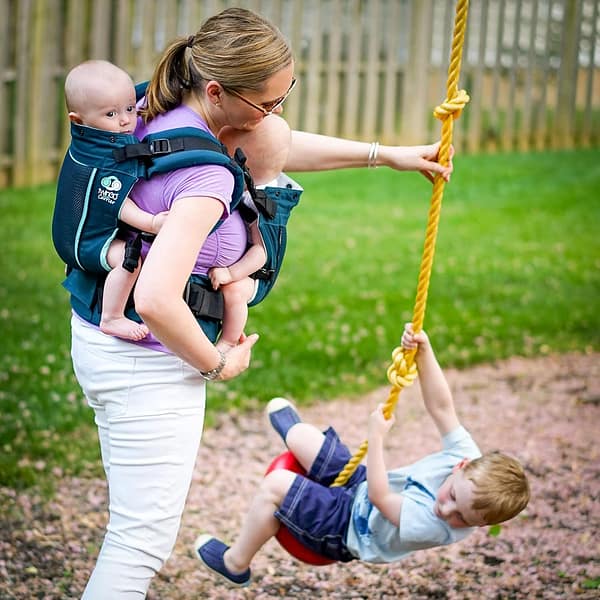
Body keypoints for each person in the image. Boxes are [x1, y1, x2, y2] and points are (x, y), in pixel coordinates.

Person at [67, 7, 456, 599]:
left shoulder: (150, 107)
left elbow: (277, 145)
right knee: (138, 541)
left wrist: (386, 154)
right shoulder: (207, 178)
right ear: (220, 93)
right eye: (269, 103)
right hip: (146, 362)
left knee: (133, 527)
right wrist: (218, 363)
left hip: (96, 330)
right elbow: (155, 300)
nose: (277, 114)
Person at [194, 322, 530, 587]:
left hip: (345, 529)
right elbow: (442, 407)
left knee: (278, 484)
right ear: (462, 466)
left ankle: (235, 563)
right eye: (454, 497)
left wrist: (376, 438)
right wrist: (425, 353)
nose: (447, 510)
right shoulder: (466, 457)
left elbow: (382, 498)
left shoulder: (436, 526)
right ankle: (297, 435)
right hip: (360, 488)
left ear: (480, 525)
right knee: (304, 439)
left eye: (464, 518)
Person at [64, 60, 169, 341]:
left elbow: (128, 96)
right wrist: (151, 222)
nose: (125, 120)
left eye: (130, 108)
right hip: (86, 242)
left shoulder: (94, 137)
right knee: (130, 258)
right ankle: (112, 316)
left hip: (79, 231)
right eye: (111, 113)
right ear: (78, 120)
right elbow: (116, 202)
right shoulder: (100, 161)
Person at [209, 115, 291, 350]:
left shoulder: (259, 203)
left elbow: (260, 253)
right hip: (236, 264)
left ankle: (228, 340)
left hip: (252, 273)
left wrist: (231, 273)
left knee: (234, 292)